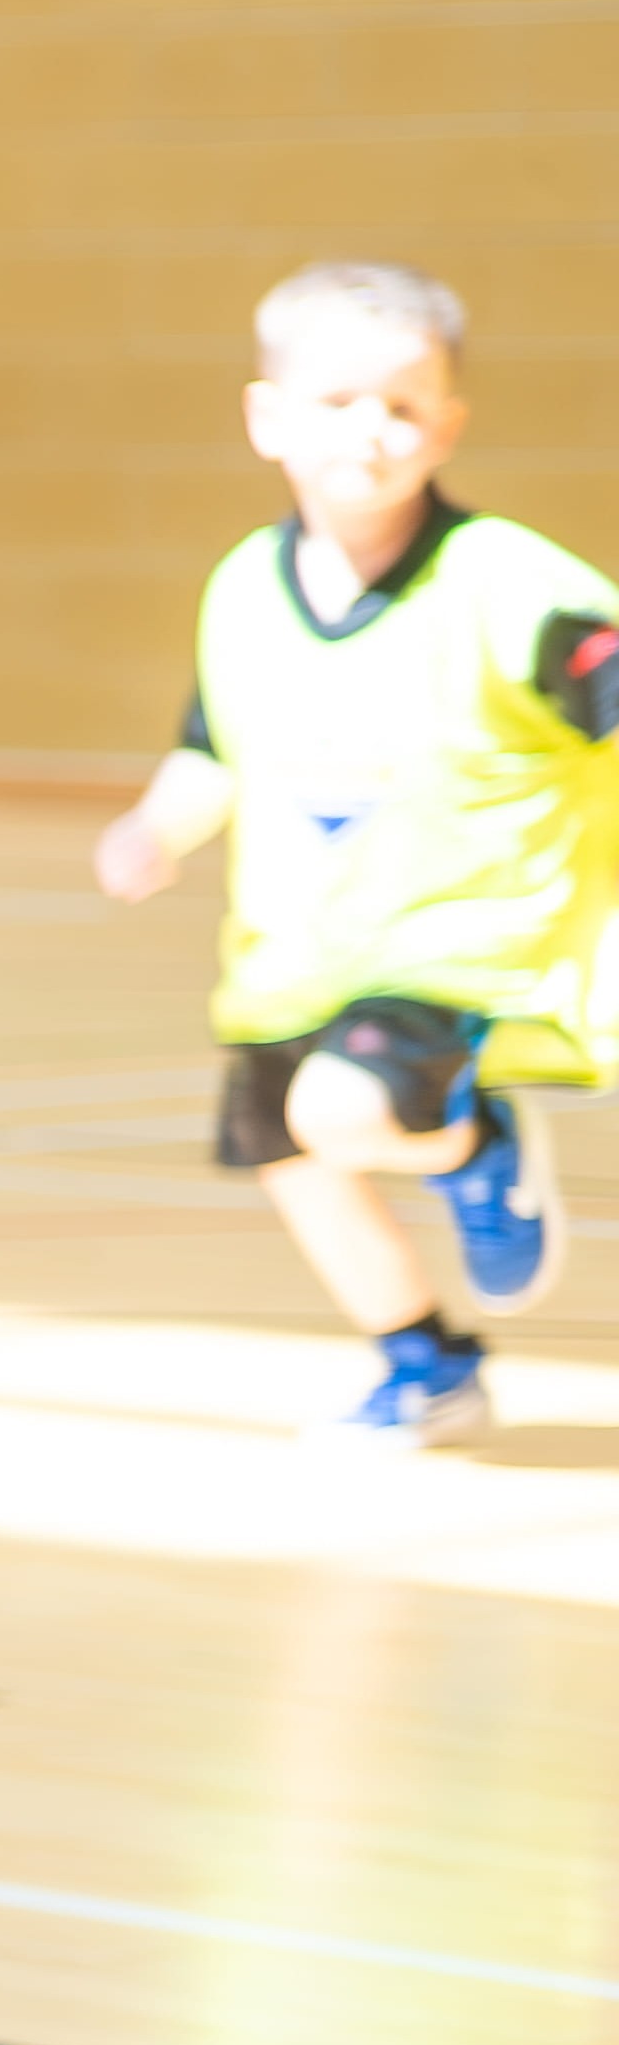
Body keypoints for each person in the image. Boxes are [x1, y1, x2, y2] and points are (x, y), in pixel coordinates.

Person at [92, 261, 619, 1447]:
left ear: (449, 423)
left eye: (403, 404)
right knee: (294, 1158)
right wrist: (154, 828)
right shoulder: (242, 587)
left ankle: (477, 1143)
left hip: (460, 941)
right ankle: (426, 1363)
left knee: (342, 1110)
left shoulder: (511, 583)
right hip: (296, 952)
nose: (372, 430)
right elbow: (211, 747)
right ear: (267, 417)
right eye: (338, 401)